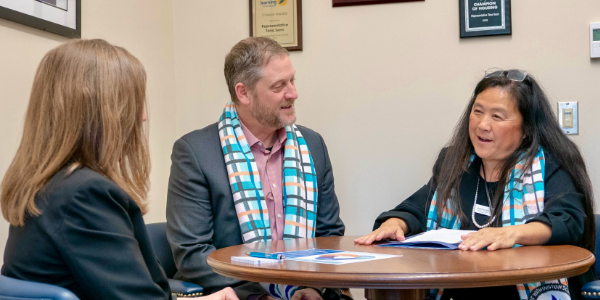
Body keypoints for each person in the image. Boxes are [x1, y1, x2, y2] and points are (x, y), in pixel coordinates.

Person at [0, 39, 238, 300]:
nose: (144, 116)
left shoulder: (45, 188)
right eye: (133, 101)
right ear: (102, 110)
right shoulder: (86, 195)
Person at [355, 69, 595, 300]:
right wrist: (396, 222)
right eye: (478, 112)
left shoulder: (550, 162)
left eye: (497, 116)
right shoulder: (455, 162)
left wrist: (511, 233)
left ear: (526, 130)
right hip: (460, 290)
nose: (482, 125)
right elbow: (421, 207)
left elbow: (569, 220)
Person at [166, 37, 346, 300]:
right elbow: (192, 254)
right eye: (279, 86)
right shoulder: (194, 152)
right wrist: (263, 297)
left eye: (292, 81)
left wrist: (313, 287)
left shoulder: (313, 145)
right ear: (243, 93)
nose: (293, 93)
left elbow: (329, 235)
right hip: (234, 294)